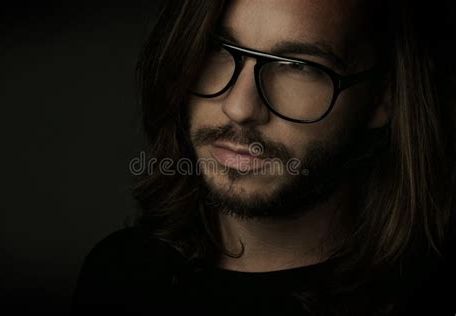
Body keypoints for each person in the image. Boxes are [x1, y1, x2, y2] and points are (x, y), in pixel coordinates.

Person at [71, 0, 456, 315]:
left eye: (297, 66)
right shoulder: (119, 278)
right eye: (218, 49)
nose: (240, 108)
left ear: (381, 98)